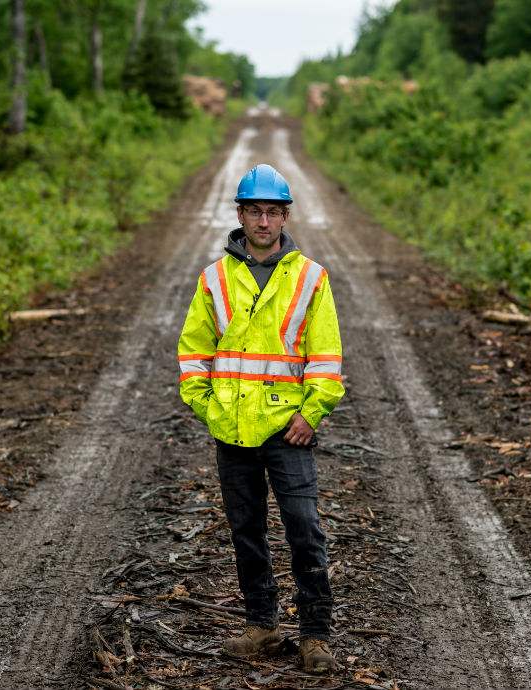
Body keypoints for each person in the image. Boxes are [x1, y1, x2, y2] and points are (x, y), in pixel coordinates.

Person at [177, 163, 345, 673]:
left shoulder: (311, 278)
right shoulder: (214, 279)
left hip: (288, 431)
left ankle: (315, 634)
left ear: (286, 215)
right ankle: (262, 625)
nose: (264, 222)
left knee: (304, 528)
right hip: (232, 430)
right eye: (255, 212)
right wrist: (209, 407)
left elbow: (326, 358)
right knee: (245, 531)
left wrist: (311, 414)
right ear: (241, 215)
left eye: (273, 212)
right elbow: (192, 355)